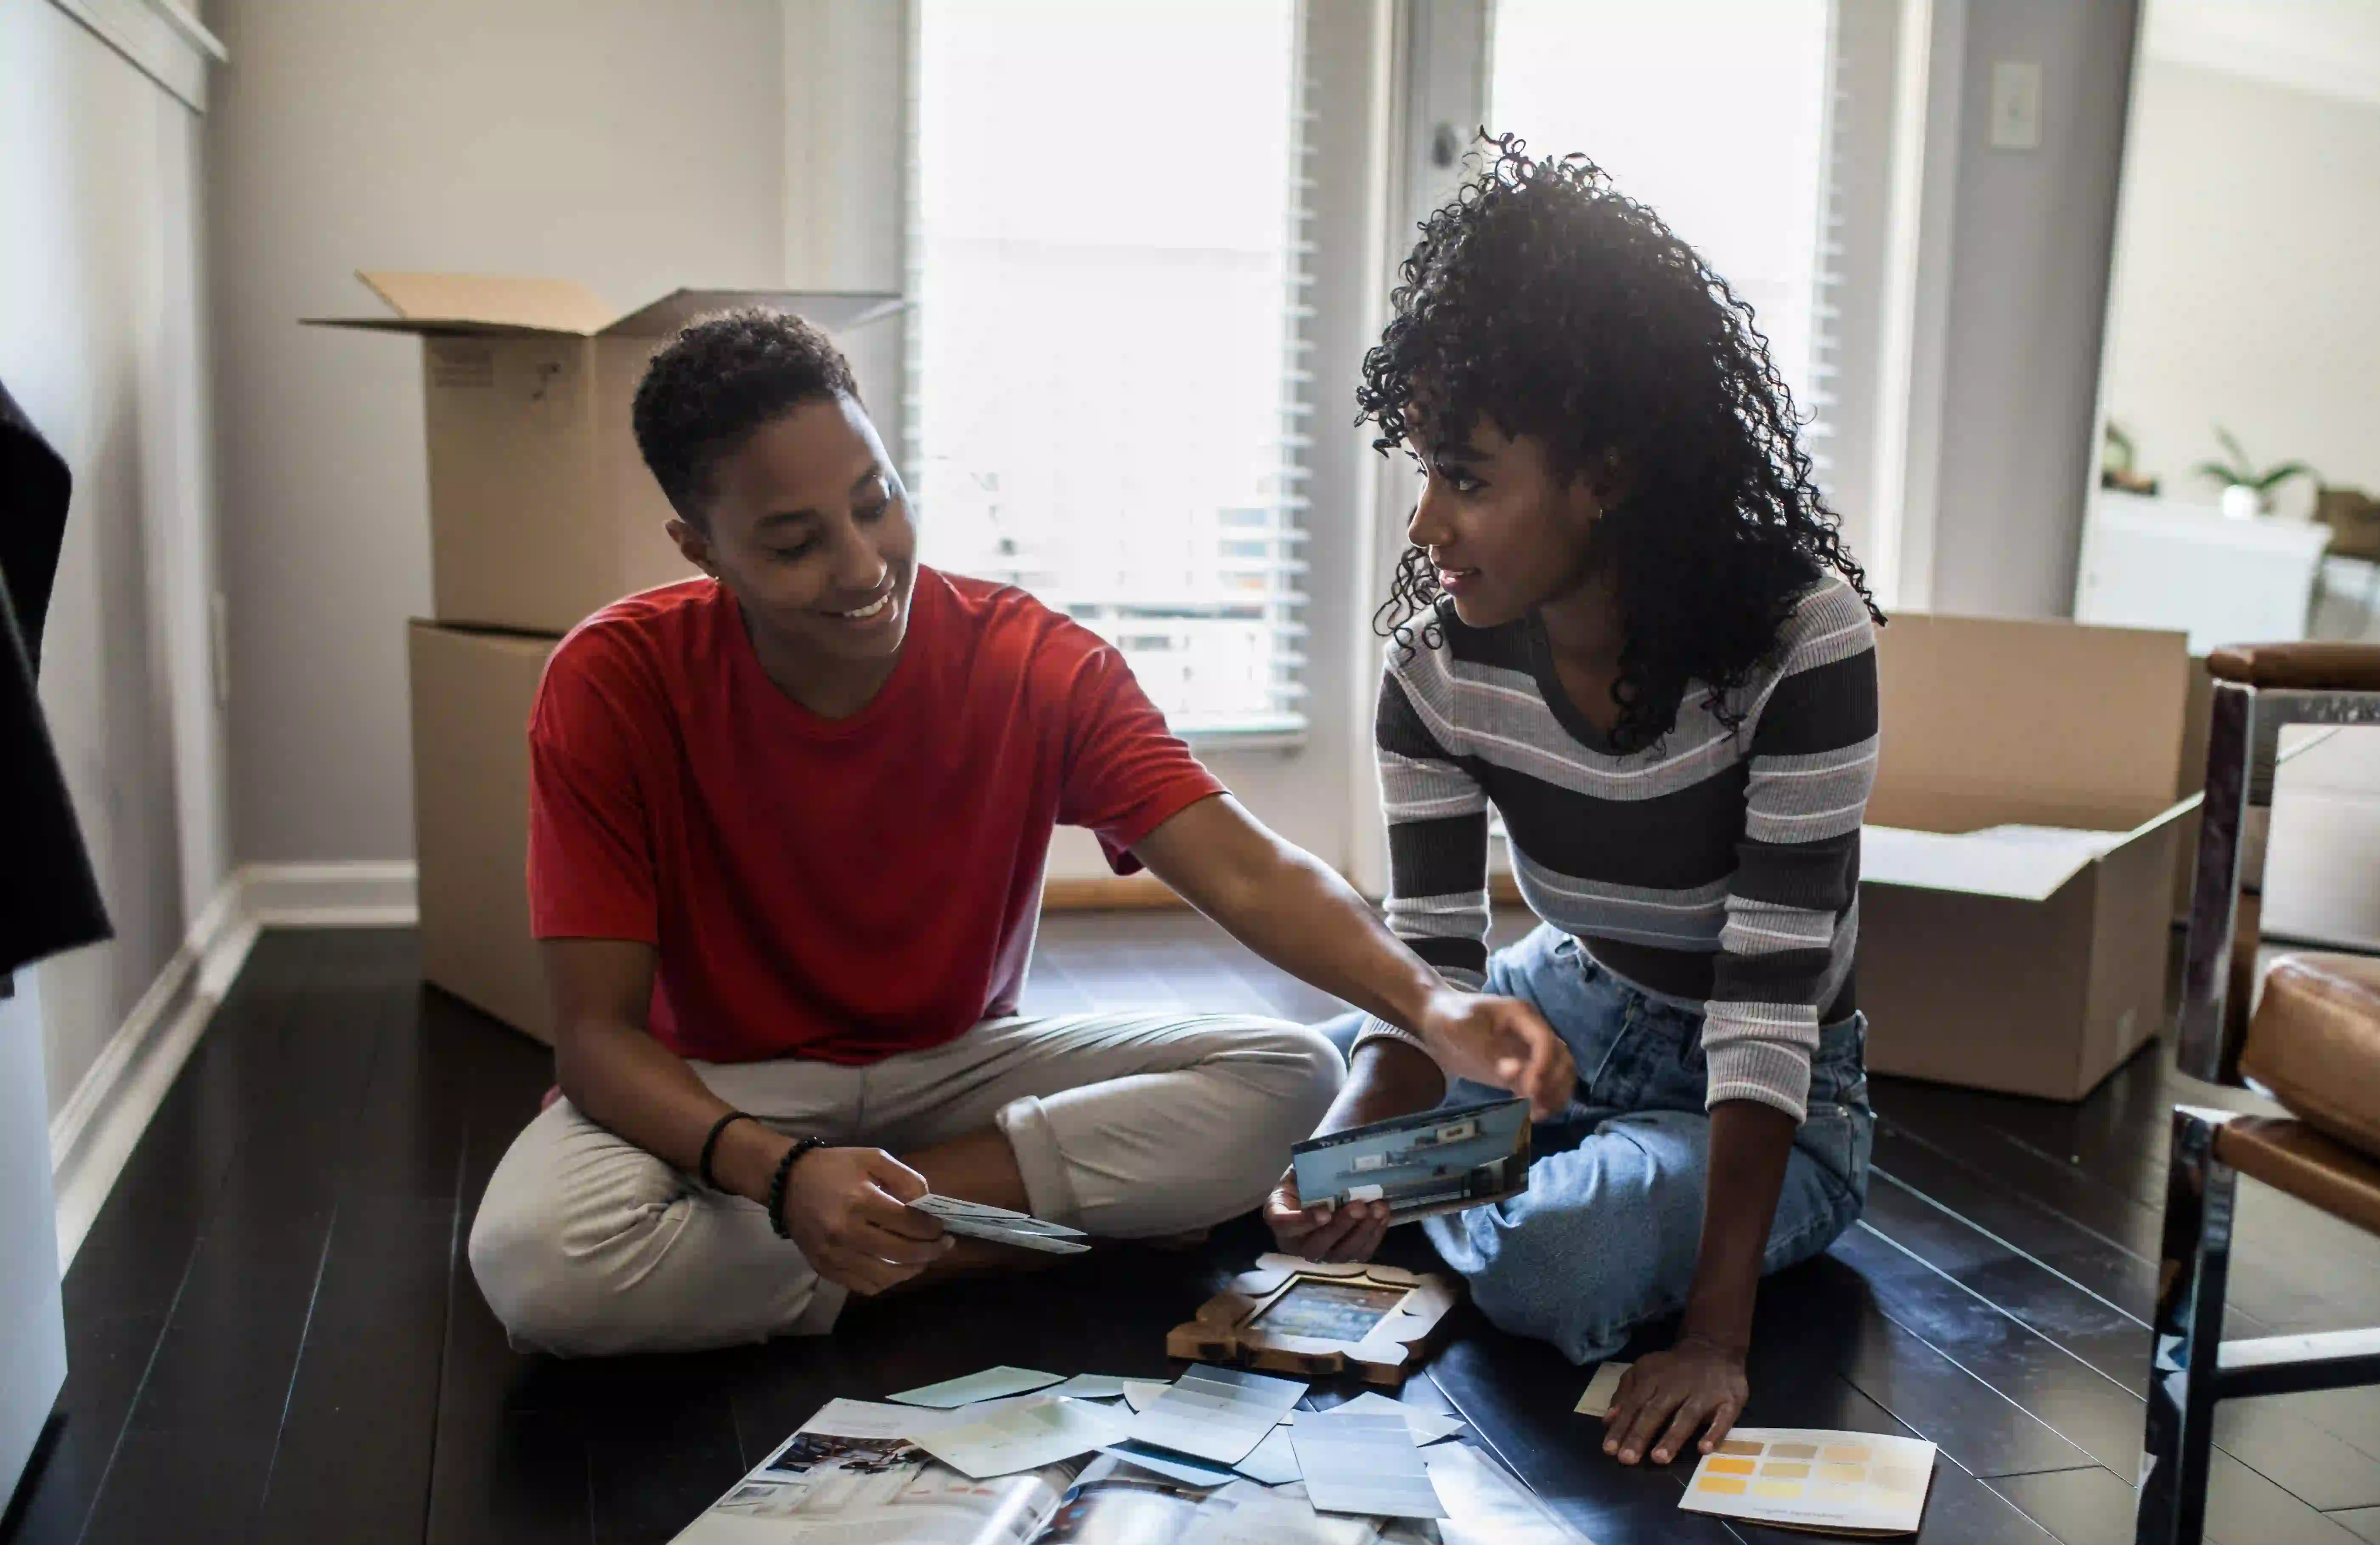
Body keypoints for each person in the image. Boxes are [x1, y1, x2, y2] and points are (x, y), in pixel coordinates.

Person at [468, 310, 1570, 1356]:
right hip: (728, 1087)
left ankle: (883, 1233)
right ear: (699, 547)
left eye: (876, 501)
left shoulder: (1033, 664)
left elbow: (1241, 865)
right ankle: (978, 1244)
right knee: (540, 1265)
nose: (861, 566)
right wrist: (782, 1172)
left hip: (959, 1072)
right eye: (796, 542)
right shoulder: (613, 682)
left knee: (1282, 1078)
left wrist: (1429, 1003)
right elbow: (597, 1044)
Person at [1266, 141, 1881, 1469]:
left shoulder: (1801, 644)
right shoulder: (1436, 670)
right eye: (1424, 471)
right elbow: (1426, 978)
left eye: (1470, 479)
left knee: (1552, 1268)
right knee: (1299, 1129)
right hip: (1562, 1008)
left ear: (1605, 472)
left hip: (1774, 1085)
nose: (1426, 522)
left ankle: (1490, 1169)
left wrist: (1717, 1339)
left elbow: (1767, 1004)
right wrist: (1340, 1161)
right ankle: (1487, 1154)